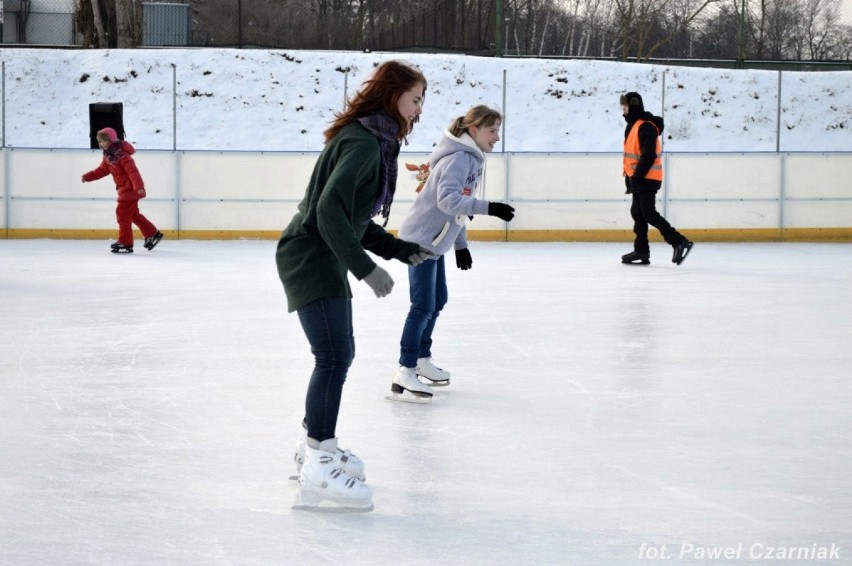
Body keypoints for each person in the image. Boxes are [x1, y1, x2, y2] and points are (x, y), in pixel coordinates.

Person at [275, 60, 432, 511]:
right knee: (334, 356)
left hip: (319, 251)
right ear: (392, 95)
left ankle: (314, 447)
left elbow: (350, 218)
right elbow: (327, 214)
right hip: (311, 254)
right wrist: (366, 269)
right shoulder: (365, 144)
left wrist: (401, 251)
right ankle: (320, 461)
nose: (418, 108)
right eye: (415, 98)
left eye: (422, 100)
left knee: (336, 354)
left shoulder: (371, 139)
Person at [389, 105, 515, 403]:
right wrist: (490, 208)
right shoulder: (460, 158)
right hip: (420, 241)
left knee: (438, 300)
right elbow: (449, 202)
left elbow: (457, 208)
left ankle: (420, 358)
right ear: (474, 131)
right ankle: (405, 369)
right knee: (422, 305)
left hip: (435, 242)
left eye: (498, 130)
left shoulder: (469, 157)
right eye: (492, 131)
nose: (497, 138)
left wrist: (461, 245)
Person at [619, 92, 693, 266]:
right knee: (637, 213)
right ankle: (641, 251)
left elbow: (648, 156)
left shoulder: (646, 126)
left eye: (626, 106)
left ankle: (679, 242)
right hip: (638, 178)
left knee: (649, 214)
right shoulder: (634, 125)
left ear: (634, 106)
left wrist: (636, 177)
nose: (623, 110)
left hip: (647, 178)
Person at [81, 127, 163, 253]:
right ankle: (152, 233)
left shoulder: (122, 156)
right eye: (100, 141)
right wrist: (87, 177)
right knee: (133, 215)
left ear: (112, 140)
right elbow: (102, 171)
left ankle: (125, 242)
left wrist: (139, 188)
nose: (102, 144)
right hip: (124, 190)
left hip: (131, 190)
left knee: (122, 214)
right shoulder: (109, 156)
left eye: (104, 141)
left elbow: (133, 173)